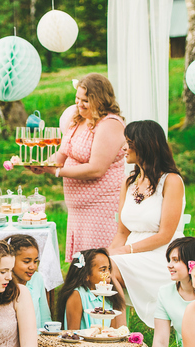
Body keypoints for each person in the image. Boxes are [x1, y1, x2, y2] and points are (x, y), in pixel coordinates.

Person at [27, 73, 126, 262]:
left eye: (85, 101)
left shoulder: (110, 124)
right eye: (77, 99)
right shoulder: (78, 118)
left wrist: (56, 171)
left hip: (101, 209)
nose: (79, 104)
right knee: (82, 268)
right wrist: (44, 164)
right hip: (78, 212)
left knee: (98, 266)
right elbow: (63, 153)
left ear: (100, 100)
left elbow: (96, 169)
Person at [108, 120, 185, 327]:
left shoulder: (171, 181)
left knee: (111, 267)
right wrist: (107, 253)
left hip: (162, 253)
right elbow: (122, 232)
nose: (124, 148)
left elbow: (165, 235)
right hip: (130, 252)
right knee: (98, 266)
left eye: (129, 142)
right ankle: (100, 333)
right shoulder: (129, 182)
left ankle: (120, 335)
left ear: (145, 145)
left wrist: (125, 252)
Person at [57, 248, 123, 330]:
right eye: (103, 270)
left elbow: (112, 331)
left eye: (109, 269)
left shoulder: (108, 297)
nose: (108, 274)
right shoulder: (77, 295)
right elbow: (73, 333)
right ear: (86, 275)